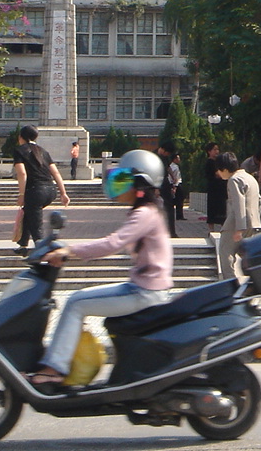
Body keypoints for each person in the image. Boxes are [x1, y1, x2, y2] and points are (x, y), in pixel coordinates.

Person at [27, 150, 173, 386]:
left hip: (145, 293)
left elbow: (112, 243)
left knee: (76, 304)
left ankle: (54, 369)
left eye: (124, 179)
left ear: (140, 183)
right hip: (143, 288)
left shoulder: (145, 213)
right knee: (79, 300)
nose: (119, 184)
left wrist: (69, 251)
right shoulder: (147, 211)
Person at [13, 126, 70, 255]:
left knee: (35, 222)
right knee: (29, 213)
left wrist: (21, 194)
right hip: (50, 190)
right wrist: (63, 193)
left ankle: (43, 250)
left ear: (21, 137)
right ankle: (23, 245)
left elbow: (22, 173)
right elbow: (56, 173)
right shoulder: (43, 151)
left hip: (35, 191)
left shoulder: (19, 150)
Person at [215, 151, 261, 281]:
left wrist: (239, 228)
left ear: (224, 169)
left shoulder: (234, 180)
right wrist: (255, 219)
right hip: (253, 222)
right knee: (245, 254)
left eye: (219, 170)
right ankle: (256, 279)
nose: (218, 173)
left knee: (225, 251)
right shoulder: (249, 177)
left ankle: (230, 283)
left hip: (237, 223)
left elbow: (239, 204)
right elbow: (259, 200)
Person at [203, 142, 227, 232]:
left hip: (221, 189)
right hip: (213, 189)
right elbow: (218, 174)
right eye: (214, 149)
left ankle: (223, 229)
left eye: (217, 149)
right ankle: (211, 230)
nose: (217, 151)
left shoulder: (219, 162)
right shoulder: (210, 162)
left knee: (222, 209)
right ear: (209, 151)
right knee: (212, 209)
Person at [157, 142, 178, 238]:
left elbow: (168, 167)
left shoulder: (164, 157)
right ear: (162, 149)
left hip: (165, 182)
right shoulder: (154, 157)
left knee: (169, 206)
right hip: (156, 181)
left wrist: (173, 176)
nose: (167, 155)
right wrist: (156, 188)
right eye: (167, 153)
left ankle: (172, 232)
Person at [172, 153, 188, 220]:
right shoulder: (175, 167)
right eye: (178, 158)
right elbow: (176, 177)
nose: (179, 159)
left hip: (173, 184)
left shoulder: (171, 166)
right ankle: (179, 215)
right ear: (175, 159)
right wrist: (175, 186)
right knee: (180, 200)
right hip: (177, 184)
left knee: (177, 200)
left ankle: (178, 215)